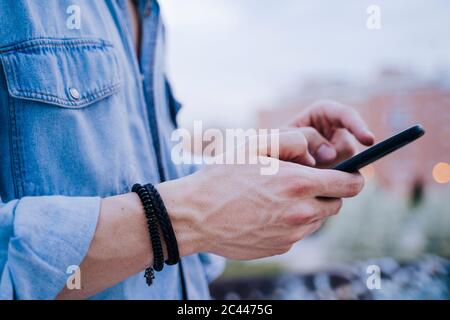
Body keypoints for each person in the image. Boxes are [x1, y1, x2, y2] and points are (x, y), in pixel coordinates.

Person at [0, 0, 374, 300]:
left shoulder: (150, 14)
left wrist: (258, 174)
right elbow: (180, 216)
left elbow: (154, 198)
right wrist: (187, 218)